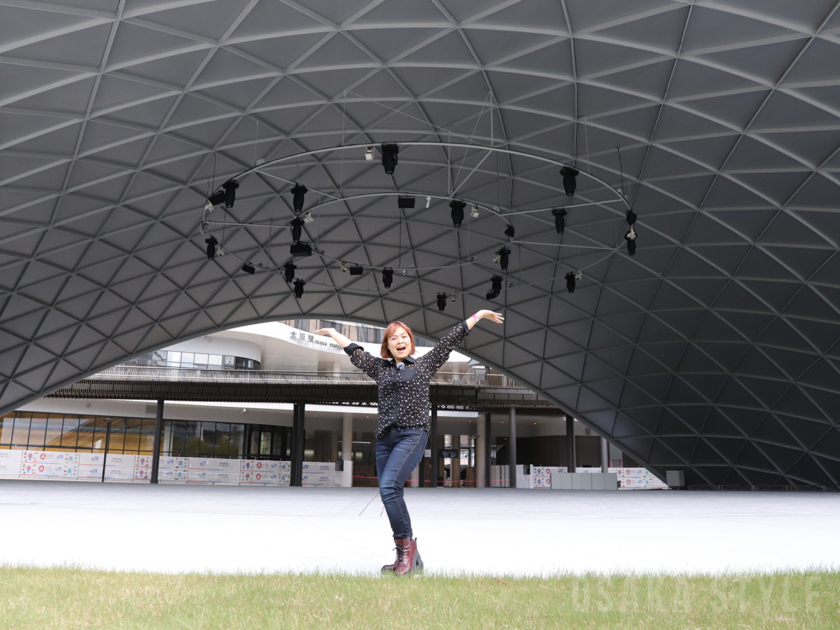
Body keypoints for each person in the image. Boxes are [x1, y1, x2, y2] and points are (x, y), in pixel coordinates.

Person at [315, 309, 504, 576]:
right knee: (391, 493)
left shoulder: (424, 365)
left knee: (389, 488)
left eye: (404, 336)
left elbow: (450, 339)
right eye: (394, 338)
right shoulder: (379, 369)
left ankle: (406, 550)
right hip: (384, 440)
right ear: (388, 346)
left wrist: (479, 315)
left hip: (412, 435)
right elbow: (355, 352)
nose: (400, 341)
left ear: (410, 342)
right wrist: (334, 333)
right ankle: (408, 556)